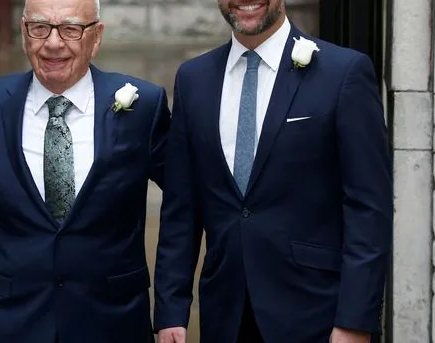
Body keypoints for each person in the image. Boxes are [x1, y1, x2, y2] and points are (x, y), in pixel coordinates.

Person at [153, 1, 392, 343]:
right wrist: (171, 312)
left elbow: (369, 208)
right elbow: (180, 209)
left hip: (317, 316)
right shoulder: (193, 79)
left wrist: (355, 320)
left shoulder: (344, 72)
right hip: (226, 315)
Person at [0, 0, 171, 341]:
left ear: (96, 38)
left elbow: (186, 204)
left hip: (112, 321)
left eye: (70, 29)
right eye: (39, 28)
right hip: (11, 322)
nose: (53, 43)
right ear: (24, 34)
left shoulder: (143, 106)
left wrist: (172, 308)